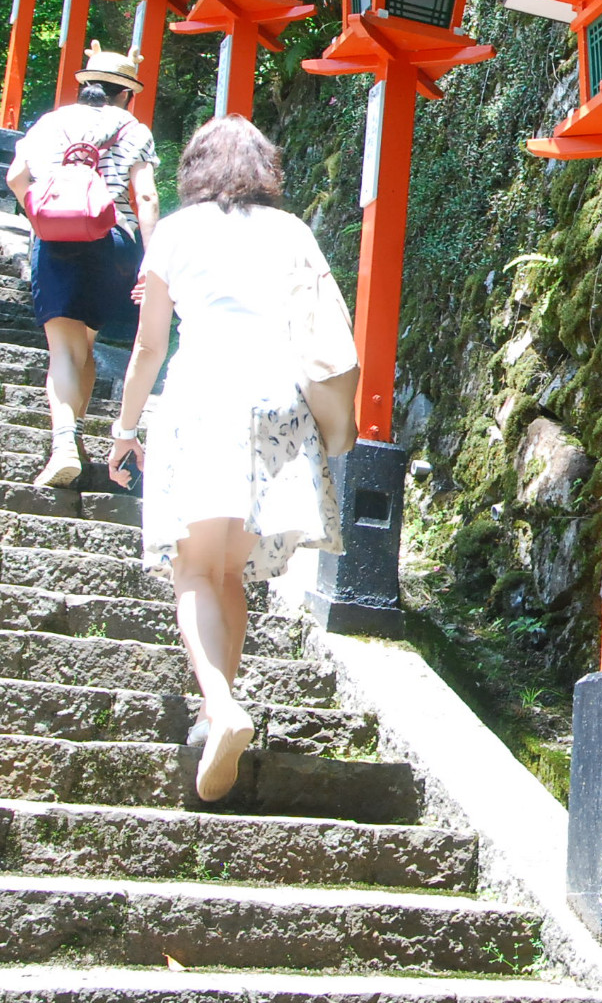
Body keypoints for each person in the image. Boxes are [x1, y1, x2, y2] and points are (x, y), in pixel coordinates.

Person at [105, 115, 345, 802]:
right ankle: (220, 708)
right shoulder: (293, 230)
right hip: (277, 402)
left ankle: (217, 702)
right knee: (231, 572)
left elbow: (150, 346)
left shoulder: (177, 230)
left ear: (195, 169)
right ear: (265, 167)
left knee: (192, 567)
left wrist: (125, 428)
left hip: (204, 396)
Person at [6, 46, 159, 488]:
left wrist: (43, 215)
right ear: (126, 95)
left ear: (84, 86)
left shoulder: (50, 123)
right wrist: (152, 258)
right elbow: (145, 197)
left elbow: (17, 177)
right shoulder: (133, 129)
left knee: (64, 352)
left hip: (57, 244)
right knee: (84, 347)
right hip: (113, 242)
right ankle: (72, 441)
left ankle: (63, 445)